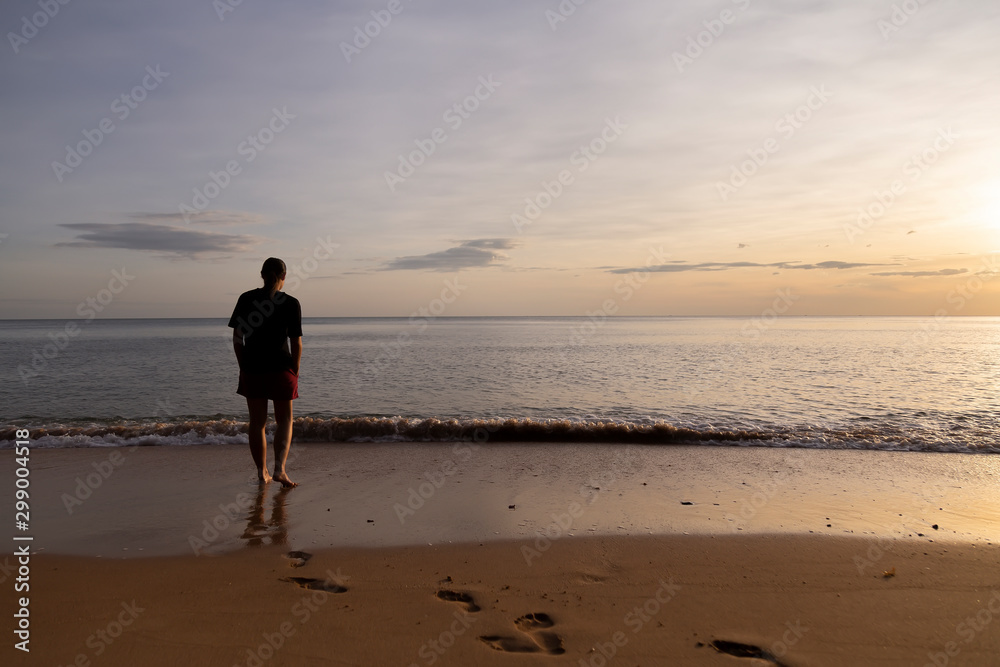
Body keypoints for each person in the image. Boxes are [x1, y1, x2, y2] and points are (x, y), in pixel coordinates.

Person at [228, 258, 302, 487]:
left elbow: (237, 339)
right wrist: (295, 371)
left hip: (253, 367)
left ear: (261, 275)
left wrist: (243, 365)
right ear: (284, 276)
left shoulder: (246, 298)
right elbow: (296, 343)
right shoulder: (290, 302)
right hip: (281, 368)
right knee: (285, 420)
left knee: (257, 423)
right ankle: (280, 469)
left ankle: (263, 473)